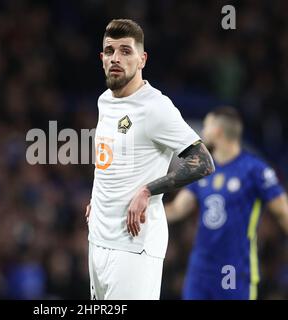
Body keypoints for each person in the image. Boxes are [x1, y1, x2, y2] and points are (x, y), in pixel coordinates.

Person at [84, 19, 215, 300]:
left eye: (126, 51)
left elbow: (203, 161)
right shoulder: (105, 101)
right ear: (101, 58)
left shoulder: (156, 107)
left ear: (142, 59)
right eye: (110, 51)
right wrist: (100, 198)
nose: (116, 58)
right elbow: (112, 158)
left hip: (135, 246)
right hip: (98, 239)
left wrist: (148, 190)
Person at [165, 106, 288, 300]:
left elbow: (283, 212)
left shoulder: (254, 169)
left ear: (217, 131)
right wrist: (143, 215)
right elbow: (178, 208)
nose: (202, 132)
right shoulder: (202, 169)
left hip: (234, 267)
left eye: (206, 126)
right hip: (200, 267)